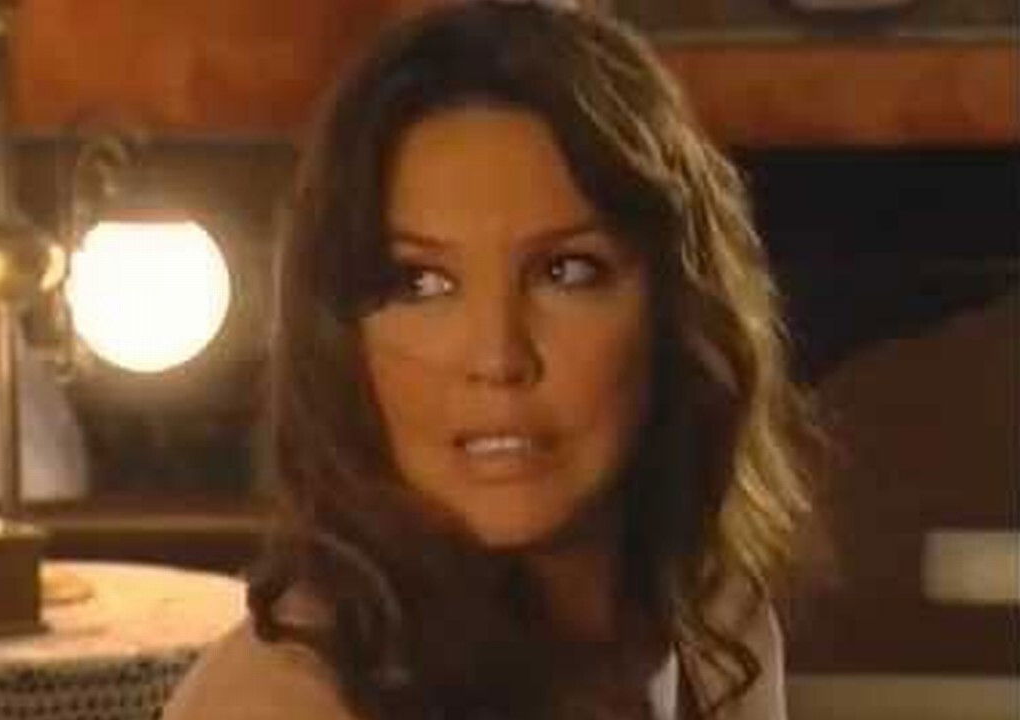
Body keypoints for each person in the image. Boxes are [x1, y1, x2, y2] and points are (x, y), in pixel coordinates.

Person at [164, 2, 822, 718]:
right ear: (342, 338)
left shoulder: (716, 623)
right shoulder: (282, 702)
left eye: (566, 271)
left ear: (675, 306)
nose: (498, 357)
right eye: (422, 283)